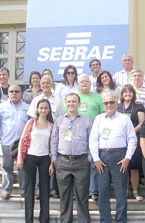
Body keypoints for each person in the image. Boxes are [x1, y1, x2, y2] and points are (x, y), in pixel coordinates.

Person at [89, 93, 137, 223]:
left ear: (117, 104)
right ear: (103, 105)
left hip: (119, 157)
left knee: (121, 192)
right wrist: (96, 159)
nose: (109, 105)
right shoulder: (99, 119)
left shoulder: (125, 119)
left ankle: (121, 220)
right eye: (106, 103)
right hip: (102, 158)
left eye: (111, 102)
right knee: (103, 192)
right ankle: (105, 220)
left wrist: (127, 158)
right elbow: (93, 139)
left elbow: (132, 139)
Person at [51, 93, 93, 223]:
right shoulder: (59, 120)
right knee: (64, 195)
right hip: (63, 161)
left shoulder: (86, 120)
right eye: (68, 101)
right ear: (65, 103)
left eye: (74, 101)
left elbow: (92, 140)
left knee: (82, 195)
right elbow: (54, 140)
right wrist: (54, 158)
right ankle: (65, 220)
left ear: (79, 104)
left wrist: (90, 158)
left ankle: (84, 220)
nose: (71, 104)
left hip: (81, 162)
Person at [27, 75, 65, 198]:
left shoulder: (58, 100)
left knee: (52, 159)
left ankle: (53, 189)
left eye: (47, 83)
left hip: (53, 132)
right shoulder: (36, 99)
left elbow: (61, 118)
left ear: (52, 84)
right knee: (40, 160)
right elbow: (33, 118)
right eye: (43, 83)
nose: (45, 85)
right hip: (39, 134)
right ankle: (38, 190)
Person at [16, 99, 54, 223]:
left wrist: (52, 163)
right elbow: (22, 140)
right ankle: (29, 220)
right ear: (37, 109)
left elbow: (51, 146)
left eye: (45, 108)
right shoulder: (31, 122)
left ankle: (44, 220)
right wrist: (20, 158)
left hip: (45, 159)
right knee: (29, 189)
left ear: (49, 110)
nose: (43, 110)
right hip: (30, 158)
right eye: (41, 108)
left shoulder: (51, 125)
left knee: (44, 190)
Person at [0, 85, 29, 199]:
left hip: (21, 144)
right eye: (11, 91)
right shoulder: (1, 107)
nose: (14, 93)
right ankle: (6, 190)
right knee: (6, 167)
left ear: (20, 93)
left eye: (16, 91)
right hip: (6, 142)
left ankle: (23, 190)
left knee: (22, 168)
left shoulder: (27, 107)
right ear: (8, 93)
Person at [76, 74, 105, 201]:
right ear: (78, 84)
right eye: (82, 81)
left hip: (95, 135)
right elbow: (67, 113)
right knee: (79, 164)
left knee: (94, 163)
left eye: (86, 81)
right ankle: (78, 191)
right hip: (77, 136)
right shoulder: (74, 97)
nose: (84, 83)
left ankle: (93, 191)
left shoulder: (97, 97)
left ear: (90, 83)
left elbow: (103, 115)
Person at [118, 84, 145, 201]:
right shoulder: (117, 107)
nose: (127, 94)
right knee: (123, 167)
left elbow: (142, 123)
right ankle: (125, 191)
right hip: (119, 140)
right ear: (122, 94)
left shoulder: (138, 106)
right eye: (125, 92)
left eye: (130, 92)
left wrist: (131, 132)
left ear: (133, 94)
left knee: (133, 166)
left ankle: (135, 191)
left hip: (134, 139)